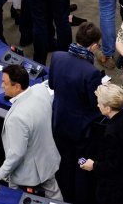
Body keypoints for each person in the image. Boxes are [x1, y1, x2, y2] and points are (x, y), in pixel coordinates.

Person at [45, 22, 101, 203]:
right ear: (93, 45)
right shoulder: (91, 72)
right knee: (80, 170)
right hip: (81, 130)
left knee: (64, 165)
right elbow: (95, 104)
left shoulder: (58, 57)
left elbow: (52, 84)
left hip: (59, 122)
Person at [78, 83, 123, 204]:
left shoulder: (111, 132)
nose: (97, 105)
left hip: (120, 191)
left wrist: (93, 165)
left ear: (108, 108)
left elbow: (112, 166)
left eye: (99, 103)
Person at [0, 65, 61, 199]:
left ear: (17, 86)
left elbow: (17, 153)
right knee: (54, 195)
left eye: (5, 83)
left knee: (17, 198)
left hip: (29, 173)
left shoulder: (17, 118)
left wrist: (2, 173)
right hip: (48, 160)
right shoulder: (40, 89)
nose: (2, 86)